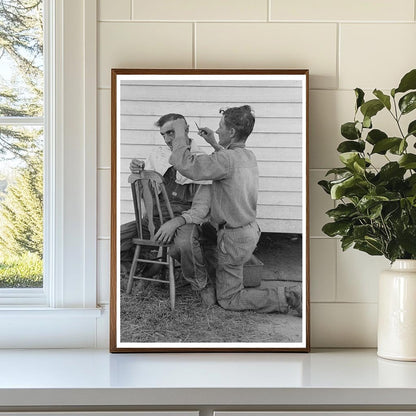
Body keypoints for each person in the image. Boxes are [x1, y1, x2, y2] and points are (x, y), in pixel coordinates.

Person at [168, 105, 302, 316]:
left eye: (221, 127)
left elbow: (185, 165)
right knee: (201, 240)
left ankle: (288, 297)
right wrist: (213, 142)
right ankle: (215, 277)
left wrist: (178, 133)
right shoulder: (248, 156)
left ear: (231, 132)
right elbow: (229, 161)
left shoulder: (226, 160)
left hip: (233, 238)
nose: (217, 130)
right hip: (247, 232)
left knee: (229, 299)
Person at [121, 113, 214, 300]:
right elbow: (145, 194)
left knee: (184, 244)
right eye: (163, 134)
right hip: (158, 217)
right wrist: (139, 171)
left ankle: (201, 284)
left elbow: (202, 209)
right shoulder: (158, 155)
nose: (167, 139)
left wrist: (174, 223)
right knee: (118, 237)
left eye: (171, 133)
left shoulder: (200, 159)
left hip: (186, 219)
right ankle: (144, 270)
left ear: (185, 131)